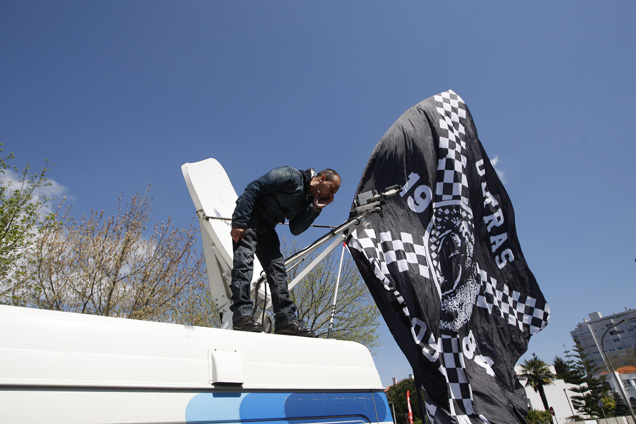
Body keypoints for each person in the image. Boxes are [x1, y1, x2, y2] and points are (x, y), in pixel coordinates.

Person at [230, 166, 341, 337]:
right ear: (322, 178)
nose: (332, 196)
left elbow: (295, 229)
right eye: (332, 189)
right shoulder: (291, 176)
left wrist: (316, 208)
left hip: (267, 228)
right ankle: (242, 316)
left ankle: (286, 322)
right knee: (244, 264)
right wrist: (240, 221)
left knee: (278, 271)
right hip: (250, 218)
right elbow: (254, 188)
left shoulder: (307, 200)